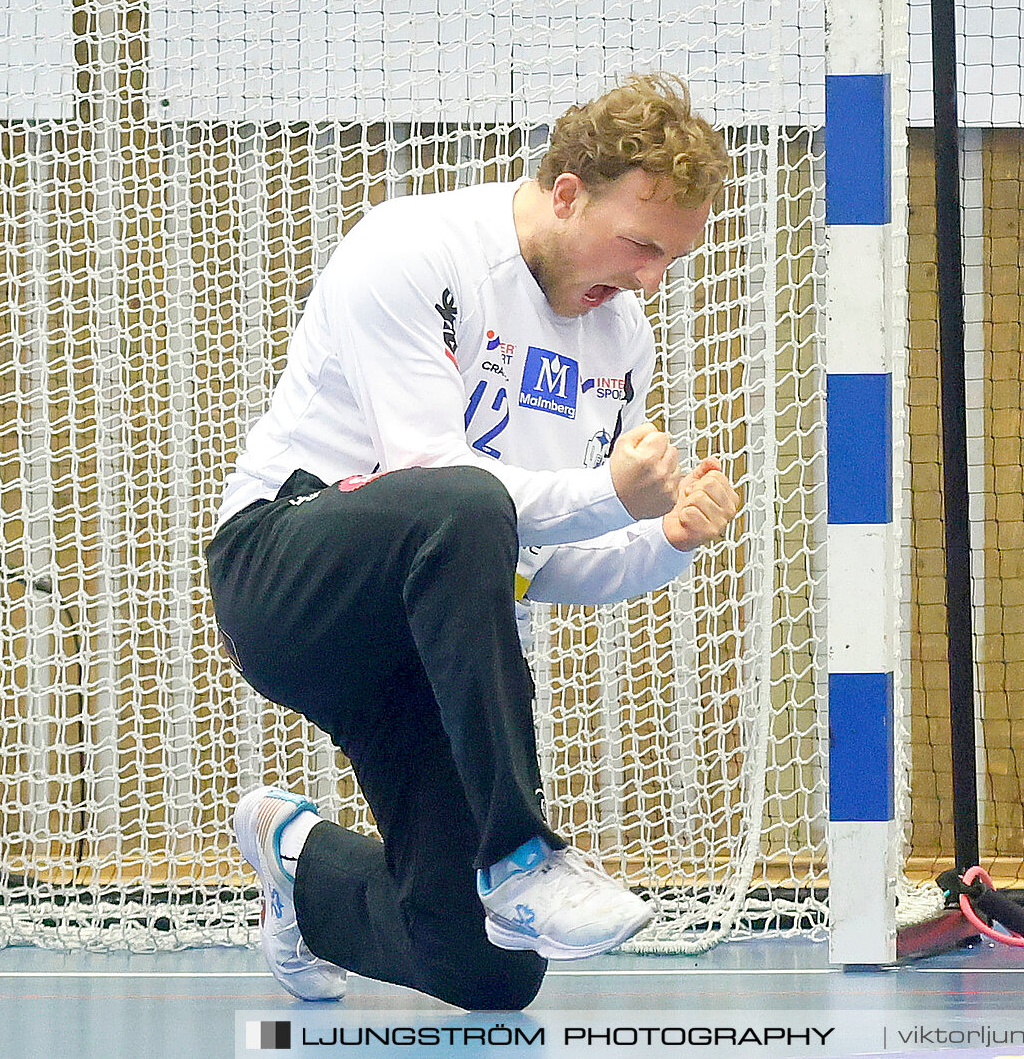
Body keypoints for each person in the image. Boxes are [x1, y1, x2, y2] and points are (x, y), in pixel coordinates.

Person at [205, 73, 740, 1011]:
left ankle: (302, 867)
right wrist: (607, 490)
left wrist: (662, 537)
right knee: (459, 501)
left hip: (420, 645)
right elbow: (439, 485)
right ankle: (521, 854)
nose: (651, 279)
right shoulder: (415, 248)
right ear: (569, 191)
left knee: (489, 969)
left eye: (671, 259)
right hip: (287, 573)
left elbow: (537, 558)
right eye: (641, 245)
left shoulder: (617, 339)